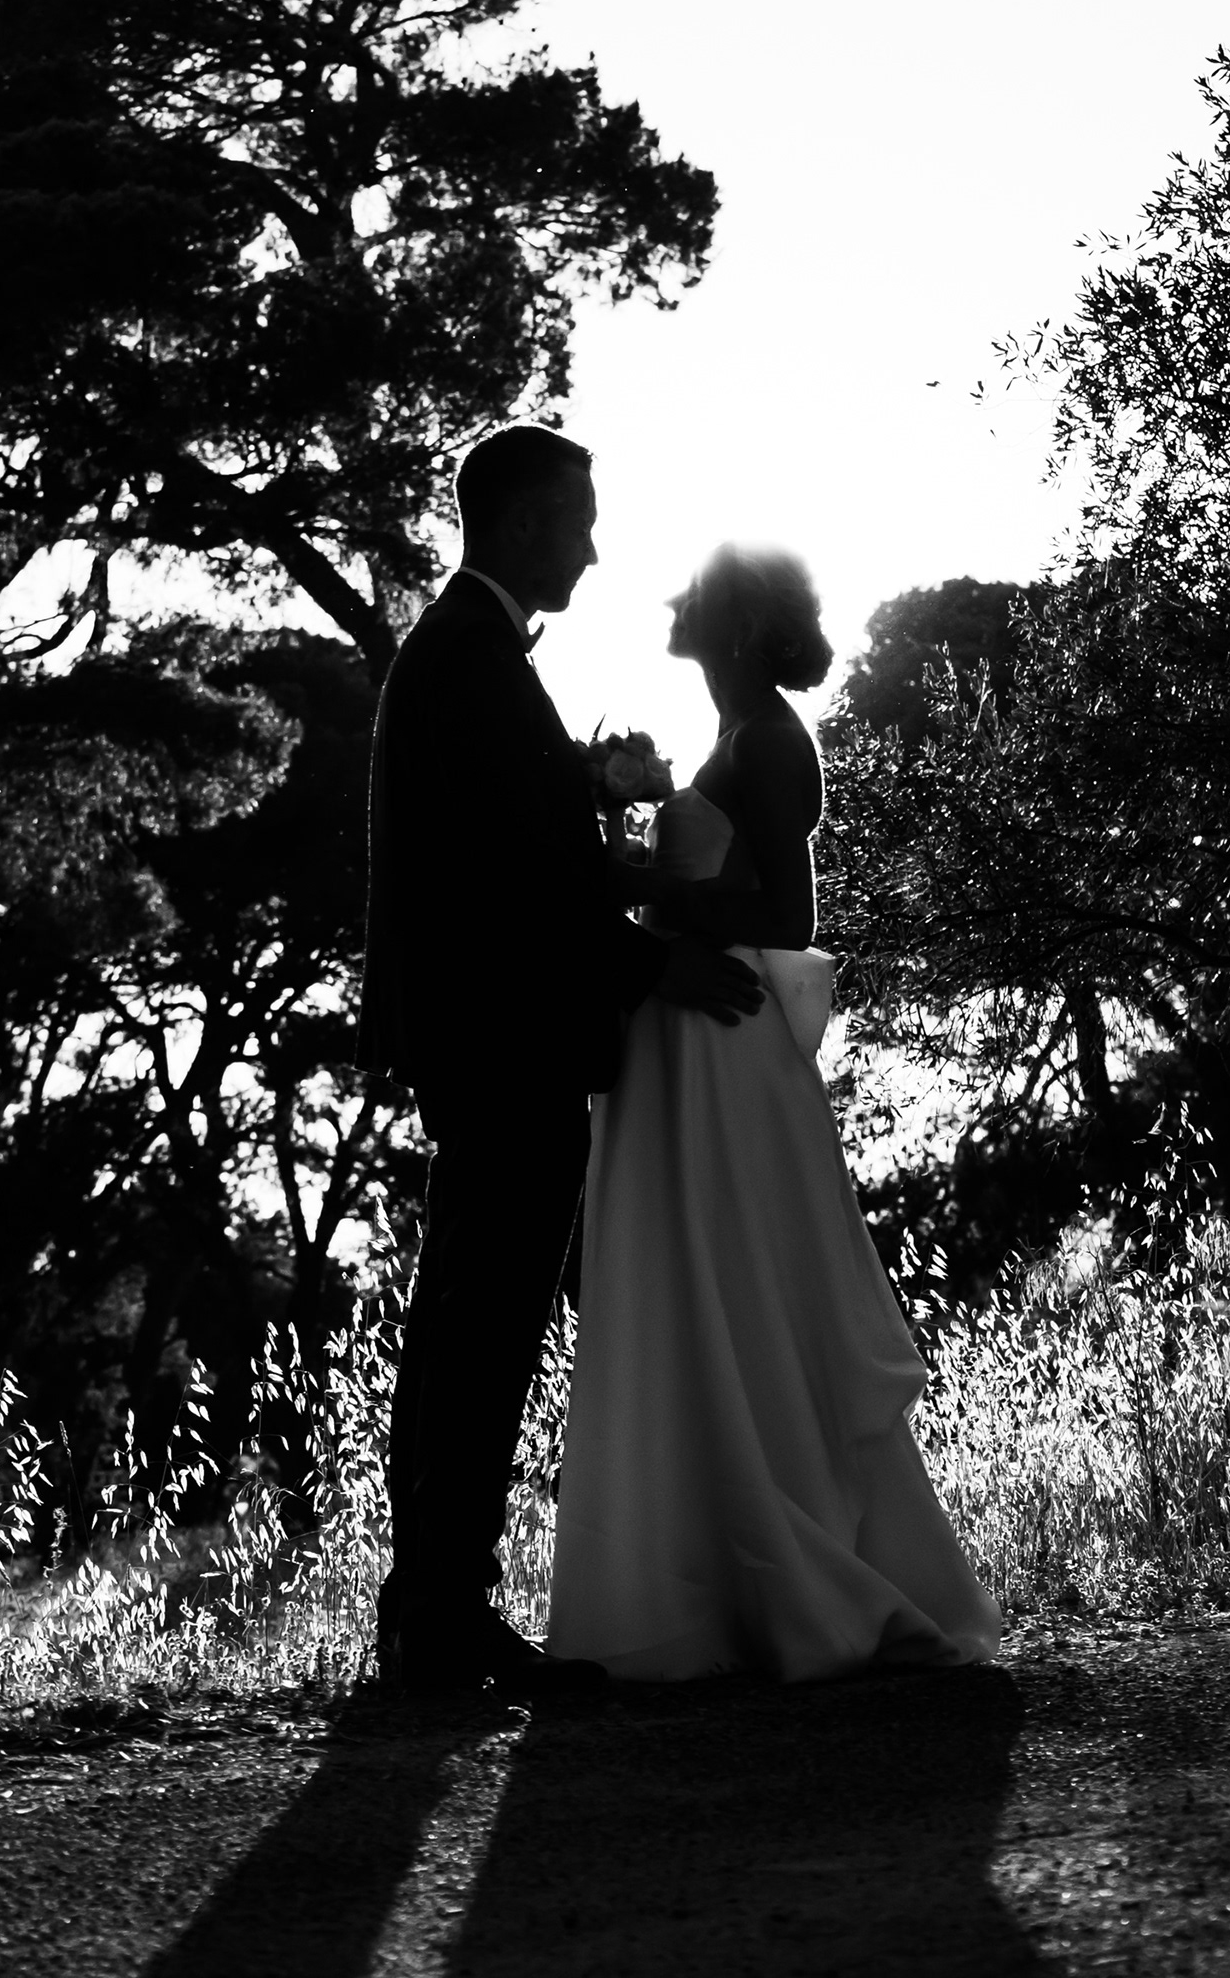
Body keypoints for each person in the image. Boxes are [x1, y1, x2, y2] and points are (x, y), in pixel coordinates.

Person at [544, 542, 1003, 1680]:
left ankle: (806, 1560)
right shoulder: (731, 740)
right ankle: (725, 1571)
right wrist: (622, 840)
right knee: (701, 1288)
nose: (672, 599)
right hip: (686, 1035)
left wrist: (633, 885)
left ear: (740, 629)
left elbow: (783, 911)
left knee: (747, 1277)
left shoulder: (773, 743)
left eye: (697, 595)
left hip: (726, 1034)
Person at [363, 424, 763, 1697]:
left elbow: (528, 843)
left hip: (489, 1032)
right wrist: (656, 963)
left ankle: (432, 1612)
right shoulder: (469, 661)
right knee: (483, 1327)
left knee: (463, 1324)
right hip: (506, 1036)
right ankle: (442, 1619)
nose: (594, 545)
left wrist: (595, 810)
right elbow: (514, 878)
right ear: (526, 521)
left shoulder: (464, 657)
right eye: (579, 519)